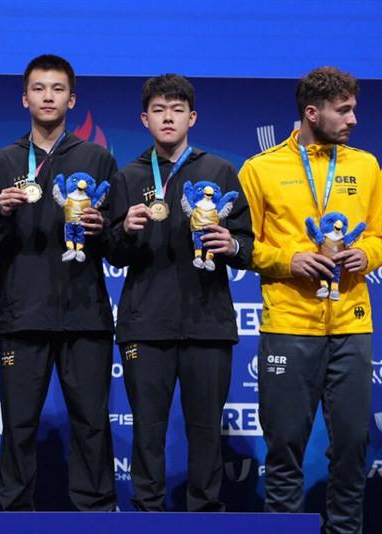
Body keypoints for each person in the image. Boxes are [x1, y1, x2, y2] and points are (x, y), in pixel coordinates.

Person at [239, 66, 382, 533]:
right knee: (283, 450)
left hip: (352, 326)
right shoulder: (260, 169)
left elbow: (380, 233)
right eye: (344, 110)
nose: (354, 119)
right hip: (288, 327)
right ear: (311, 113)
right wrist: (289, 261)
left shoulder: (366, 165)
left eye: (354, 108)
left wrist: (368, 252)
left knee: (354, 445)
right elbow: (242, 245)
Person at [107, 74, 253, 511]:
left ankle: (204, 512)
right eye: (158, 110)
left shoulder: (219, 170)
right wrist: (126, 231)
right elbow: (112, 253)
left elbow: (247, 247)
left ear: (192, 117)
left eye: (176, 110)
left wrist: (231, 244)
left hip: (207, 323)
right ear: (144, 118)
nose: (167, 118)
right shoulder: (129, 175)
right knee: (147, 429)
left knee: (205, 428)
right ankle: (146, 513)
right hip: (145, 325)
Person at [0, 54, 116, 511]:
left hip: (85, 312)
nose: (47, 97)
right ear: (25, 98)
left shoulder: (97, 158)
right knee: (18, 423)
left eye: (57, 89)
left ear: (72, 99)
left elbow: (118, 242)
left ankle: (95, 512)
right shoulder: (1, 162)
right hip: (23, 312)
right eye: (39, 88)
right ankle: (14, 513)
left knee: (91, 422)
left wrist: (102, 228)